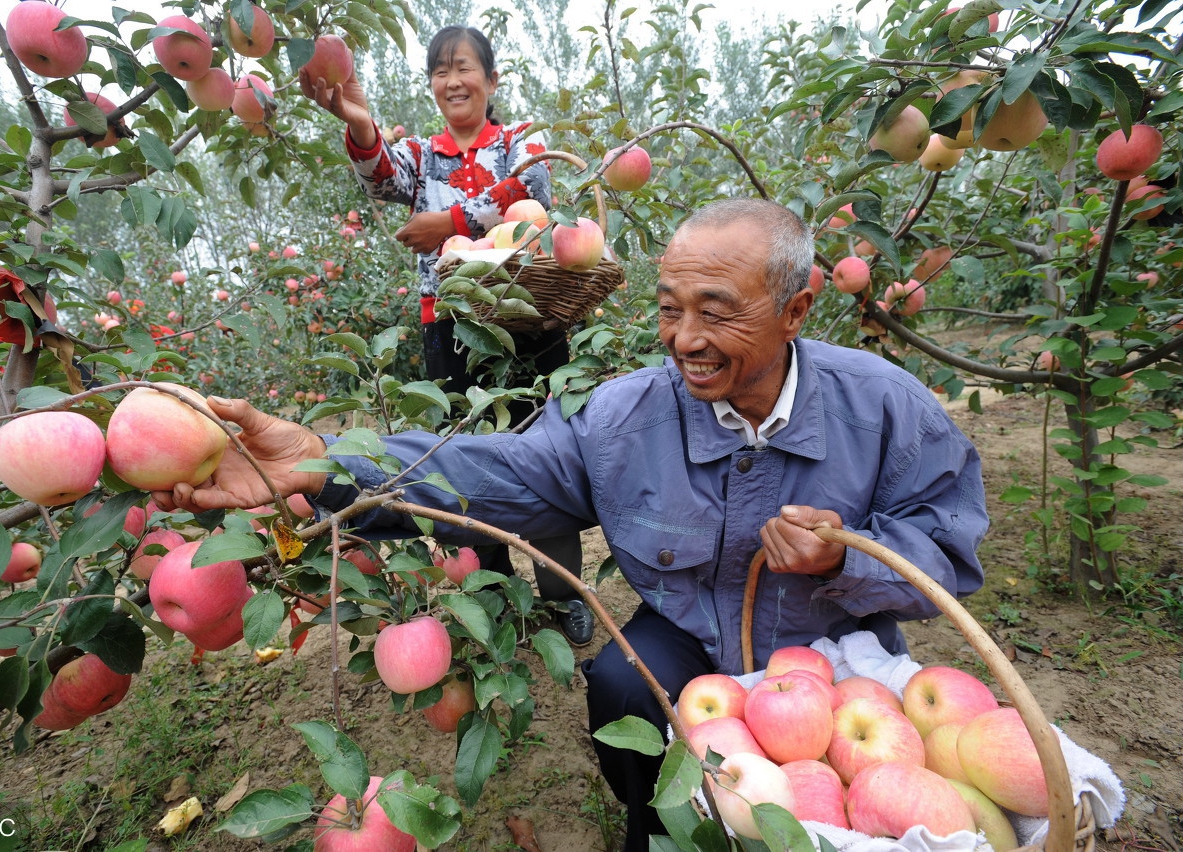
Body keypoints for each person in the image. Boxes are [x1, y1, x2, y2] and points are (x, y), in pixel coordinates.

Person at [153, 198, 989, 851]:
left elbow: (947, 542)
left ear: (798, 310)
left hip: (830, 651)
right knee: (623, 686)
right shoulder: (628, 416)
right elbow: (500, 475)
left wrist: (846, 558)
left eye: (716, 311)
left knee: (858, 792)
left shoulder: (887, 408)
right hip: (694, 630)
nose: (684, 339)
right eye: (670, 309)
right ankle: (655, 825)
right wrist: (325, 465)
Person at [299, 24, 591, 644]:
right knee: (468, 461)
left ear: (491, 78)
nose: (452, 80)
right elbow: (380, 178)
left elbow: (533, 185)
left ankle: (562, 592)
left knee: (547, 454)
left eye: (463, 67)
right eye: (439, 70)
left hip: (528, 320)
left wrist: (447, 223)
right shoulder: (422, 154)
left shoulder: (518, 140)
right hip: (451, 325)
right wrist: (357, 121)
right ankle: (497, 590)